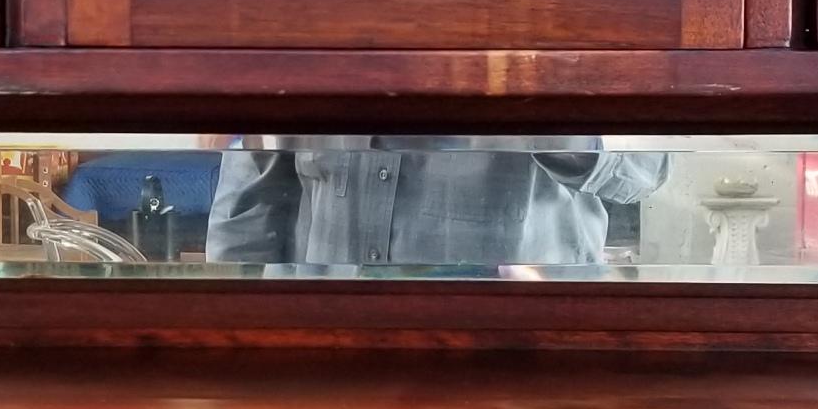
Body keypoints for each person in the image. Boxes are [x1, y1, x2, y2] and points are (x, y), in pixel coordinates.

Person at [206, 139, 669, 269]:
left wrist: (538, 112)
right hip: (322, 365)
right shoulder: (308, 24)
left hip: (517, 366)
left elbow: (647, 168)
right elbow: (250, 199)